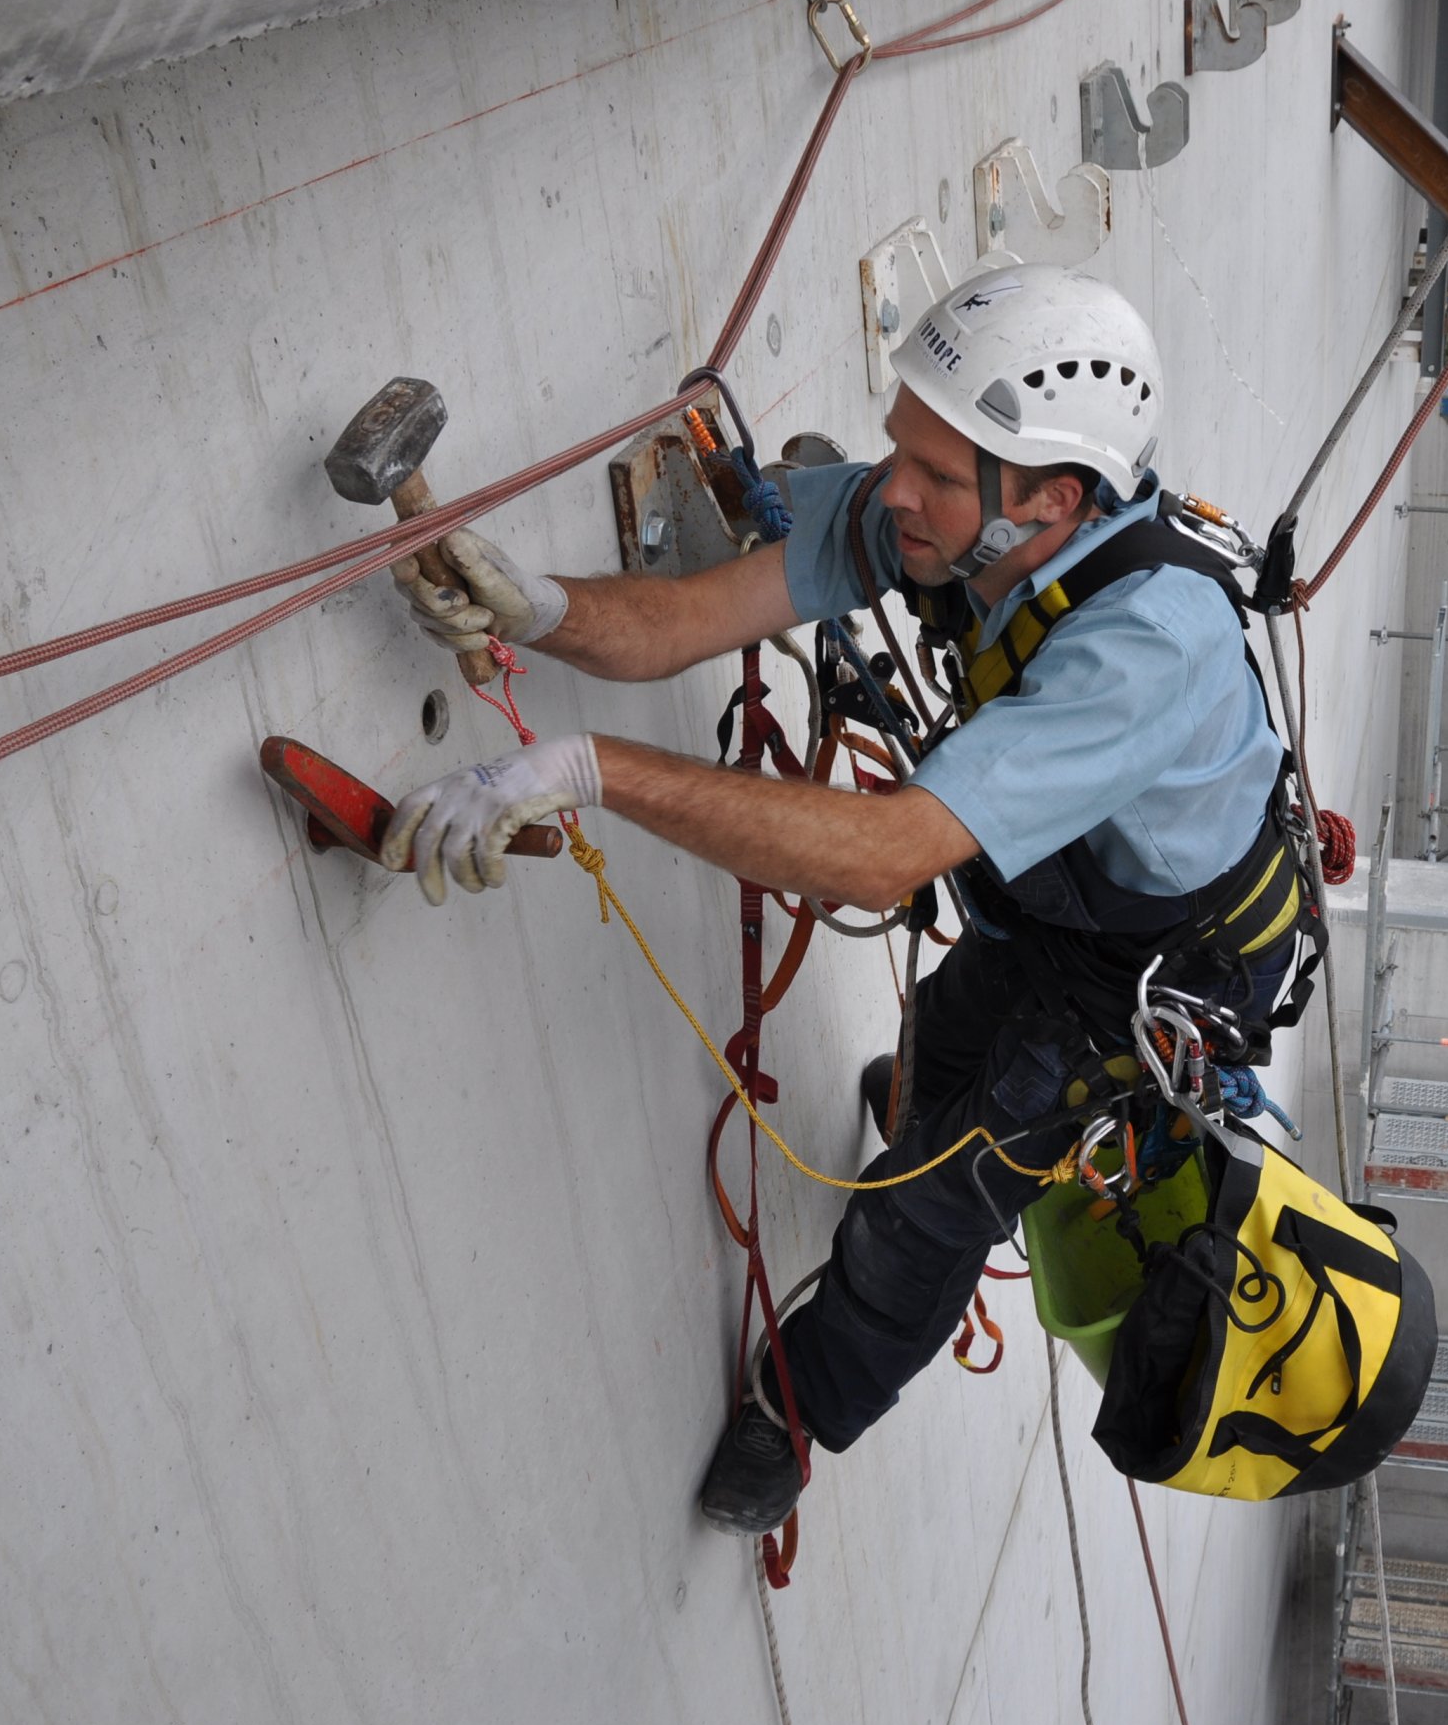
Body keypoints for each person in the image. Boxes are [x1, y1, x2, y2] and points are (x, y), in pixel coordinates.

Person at [380, 263, 1314, 1533]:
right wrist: (537, 607)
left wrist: (585, 768)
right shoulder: (959, 520)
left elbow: (885, 855)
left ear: (1053, 497)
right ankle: (927, 1105)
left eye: (933, 472)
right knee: (957, 1018)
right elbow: (691, 618)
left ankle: (800, 1407)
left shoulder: (1148, 645)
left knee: (932, 1209)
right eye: (899, 451)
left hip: (1155, 973)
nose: (892, 491)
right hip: (1066, 894)